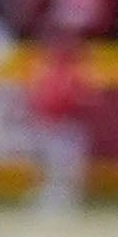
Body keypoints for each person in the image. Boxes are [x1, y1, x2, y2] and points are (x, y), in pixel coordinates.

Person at [25, 28, 95, 213]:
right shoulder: (43, 68)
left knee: (67, 167)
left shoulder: (77, 71)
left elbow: (87, 99)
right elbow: (35, 100)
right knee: (46, 166)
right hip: (47, 126)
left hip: (68, 127)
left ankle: (66, 199)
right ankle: (48, 196)